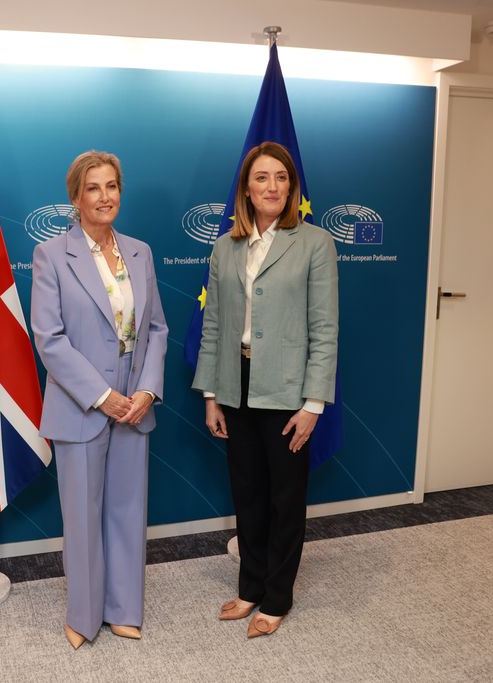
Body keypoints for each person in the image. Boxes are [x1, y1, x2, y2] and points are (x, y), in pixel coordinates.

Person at [192, 141, 338, 638]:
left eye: (281, 177)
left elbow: (325, 330)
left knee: (285, 499)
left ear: (291, 187)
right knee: (248, 494)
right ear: (247, 189)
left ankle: (277, 597)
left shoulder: (315, 243)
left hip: (288, 392)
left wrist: (313, 404)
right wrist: (211, 394)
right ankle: (250, 586)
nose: (272, 186)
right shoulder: (225, 247)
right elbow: (214, 327)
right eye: (261, 177)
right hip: (235, 386)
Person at [31, 150, 168, 649]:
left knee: (127, 511)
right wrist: (102, 396)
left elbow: (156, 329)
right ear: (76, 197)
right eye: (93, 188)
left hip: (135, 404)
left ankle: (124, 609)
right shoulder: (52, 255)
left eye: (111, 186)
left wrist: (147, 390)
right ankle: (84, 616)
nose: (104, 196)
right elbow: (50, 339)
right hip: (82, 406)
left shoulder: (140, 252)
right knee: (83, 518)